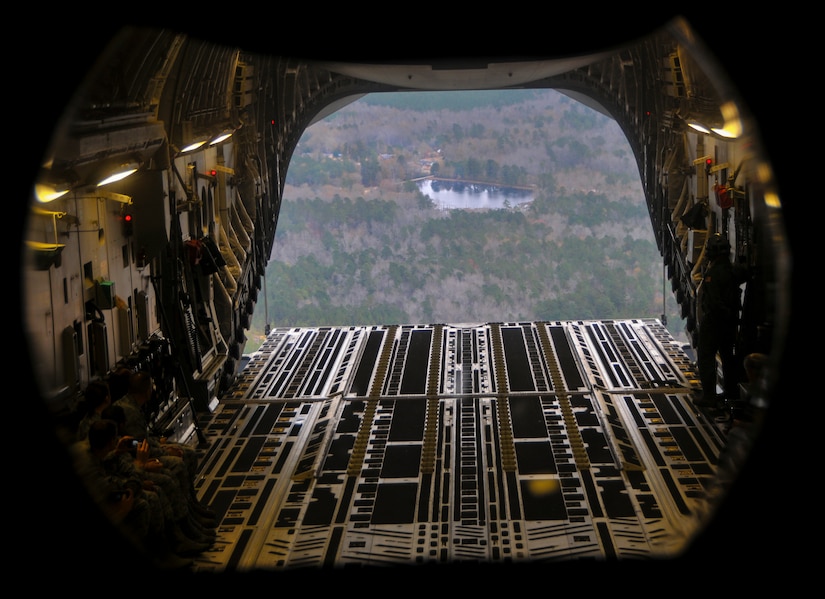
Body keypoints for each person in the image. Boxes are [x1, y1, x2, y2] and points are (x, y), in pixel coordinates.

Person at [693, 232, 747, 409]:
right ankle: (731, 392)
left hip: (714, 321)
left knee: (706, 356)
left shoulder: (712, 274)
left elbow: (713, 301)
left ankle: (709, 396)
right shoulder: (732, 270)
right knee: (727, 356)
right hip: (731, 322)